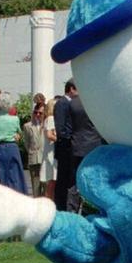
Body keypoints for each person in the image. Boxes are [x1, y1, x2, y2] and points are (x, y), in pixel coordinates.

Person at [66, 92, 104, 212]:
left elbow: (68, 127)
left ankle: (72, 210)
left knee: (74, 181)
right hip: (94, 145)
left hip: (77, 146)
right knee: (95, 179)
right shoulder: (96, 101)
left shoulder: (72, 103)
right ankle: (93, 209)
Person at [0, 101, 27, 194]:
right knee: (14, 174)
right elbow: (19, 133)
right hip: (12, 147)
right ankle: (16, 194)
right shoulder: (15, 119)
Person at [54, 79, 76, 211]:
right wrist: (69, 138)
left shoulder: (70, 103)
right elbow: (60, 127)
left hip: (69, 146)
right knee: (63, 178)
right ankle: (60, 205)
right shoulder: (62, 103)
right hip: (65, 147)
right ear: (71, 89)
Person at [23, 102, 44, 197]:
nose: (38, 115)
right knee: (36, 187)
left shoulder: (49, 124)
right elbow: (26, 143)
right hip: (34, 159)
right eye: (36, 112)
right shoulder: (28, 126)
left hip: (45, 159)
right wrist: (32, 152)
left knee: (47, 186)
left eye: (40, 113)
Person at [40, 99, 57, 200]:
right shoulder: (51, 119)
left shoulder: (47, 119)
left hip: (49, 151)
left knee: (51, 180)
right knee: (52, 180)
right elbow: (50, 135)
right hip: (52, 152)